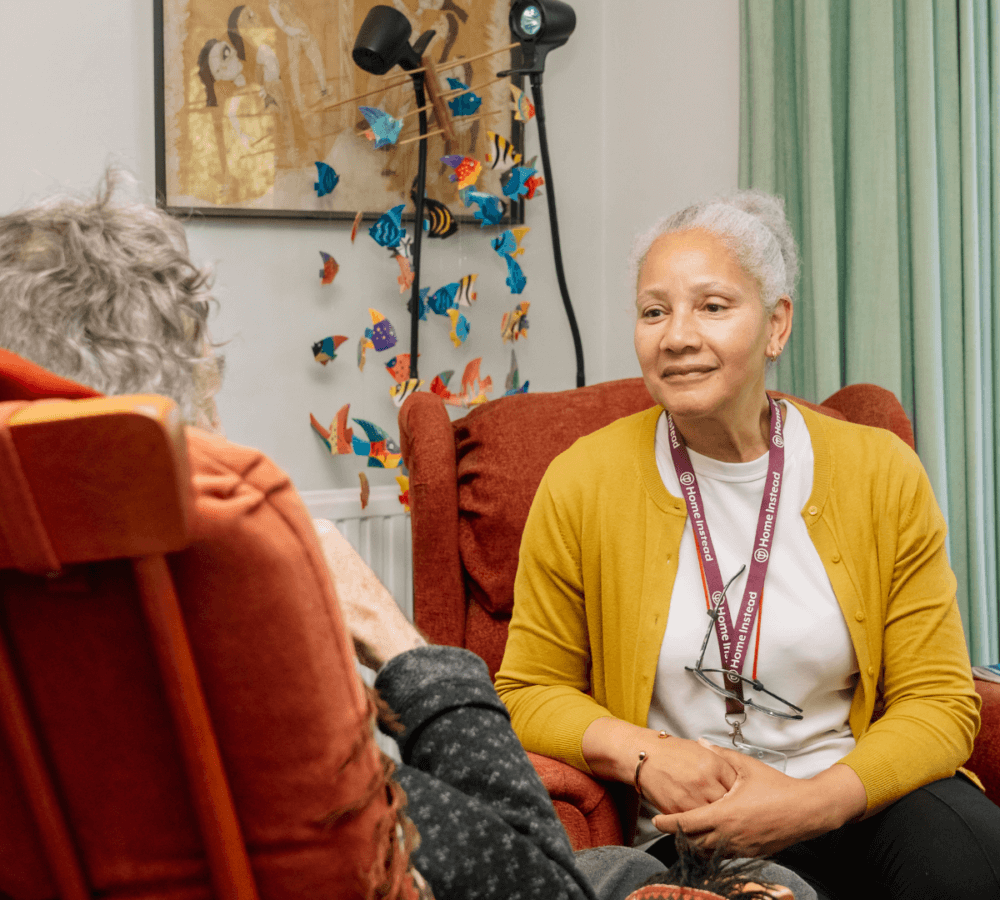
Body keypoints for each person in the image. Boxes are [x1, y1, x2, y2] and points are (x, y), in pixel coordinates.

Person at [0, 171, 811, 900]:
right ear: (188, 400)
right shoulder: (232, 600)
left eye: (712, 306)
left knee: (634, 872)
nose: (679, 334)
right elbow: (533, 881)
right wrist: (399, 641)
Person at [493, 190, 1000, 900]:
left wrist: (813, 801)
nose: (676, 335)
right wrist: (647, 755)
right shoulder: (584, 479)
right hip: (700, 821)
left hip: (858, 794)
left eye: (712, 305)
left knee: (973, 863)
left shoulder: (878, 470)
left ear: (776, 324)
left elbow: (940, 700)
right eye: (653, 310)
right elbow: (526, 689)